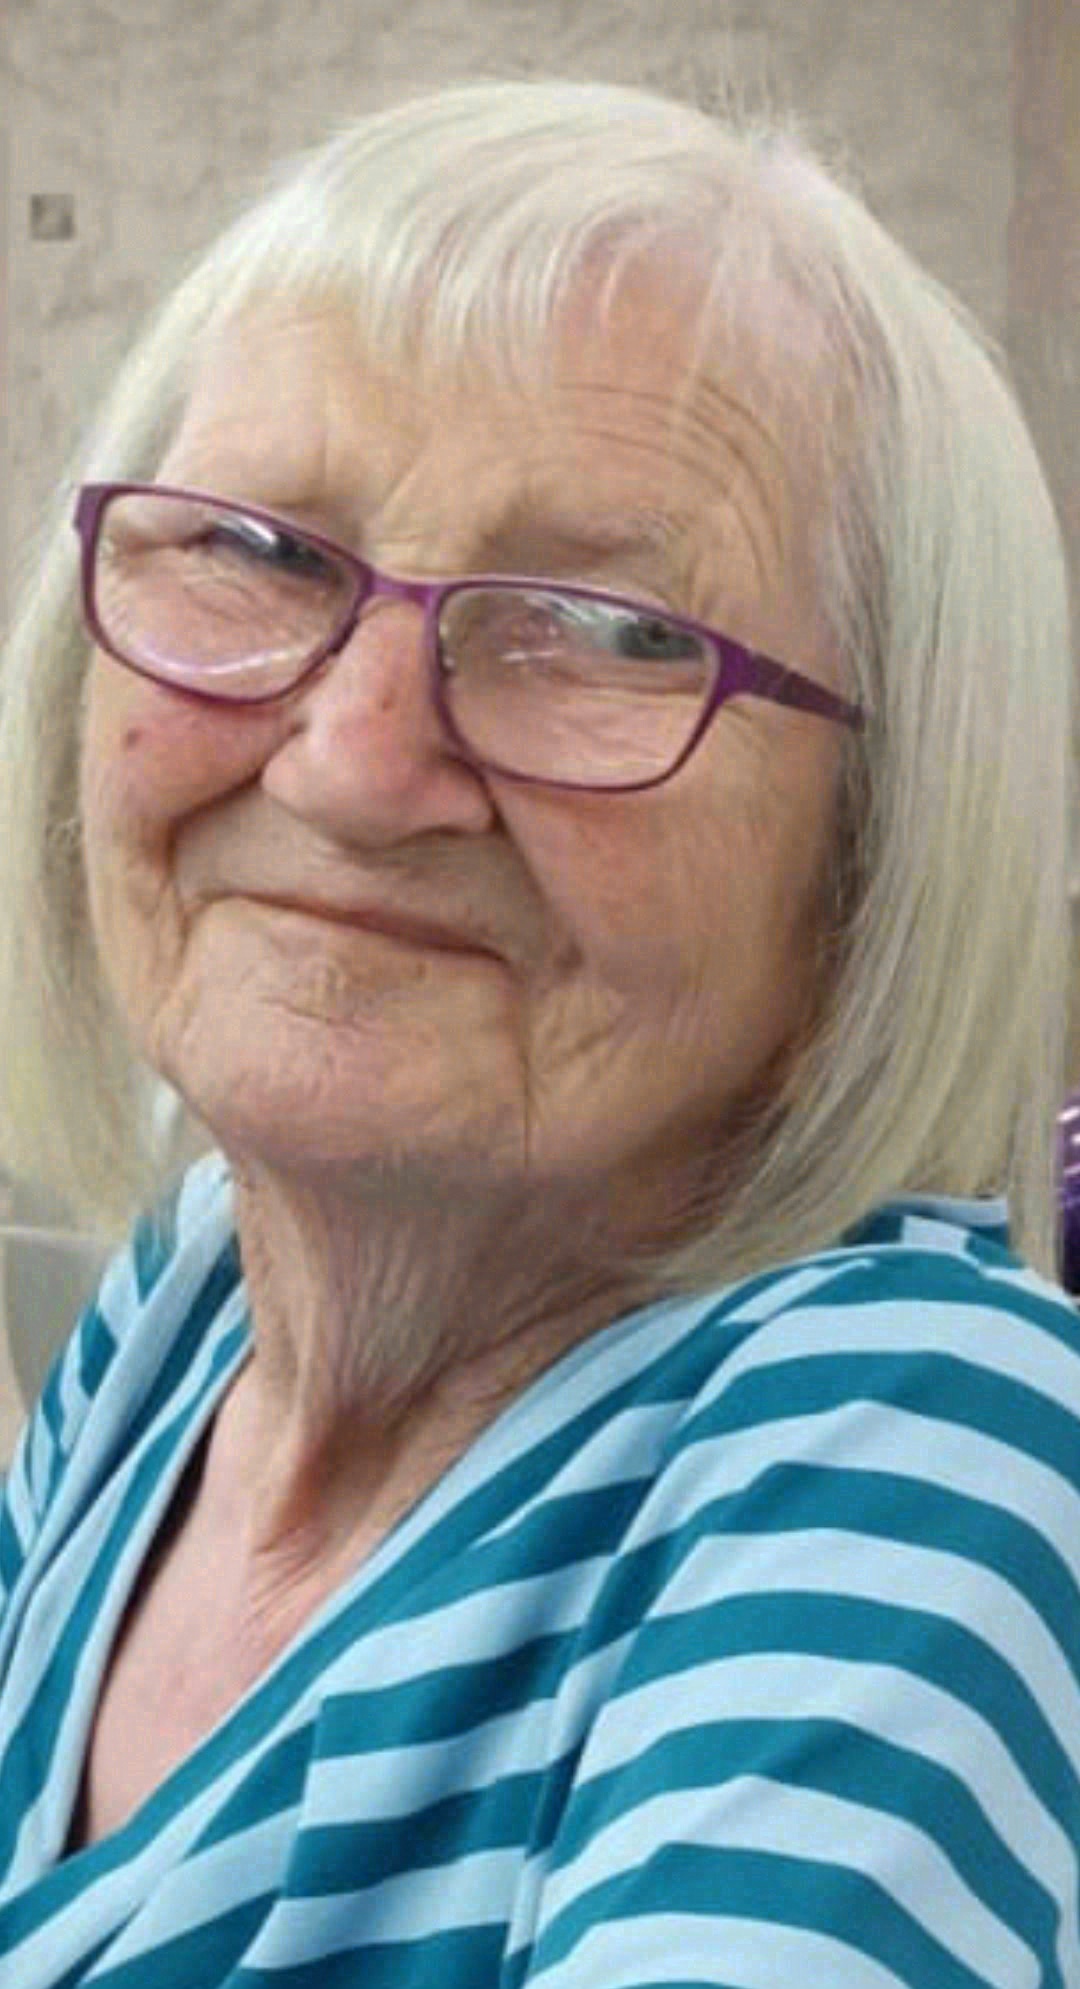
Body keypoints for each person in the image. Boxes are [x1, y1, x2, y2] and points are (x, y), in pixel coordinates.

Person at [0, 75, 1076, 1989]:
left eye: (606, 628)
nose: (349, 765)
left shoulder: (925, 1446)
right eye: (258, 548)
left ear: (875, 853)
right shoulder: (191, 1305)